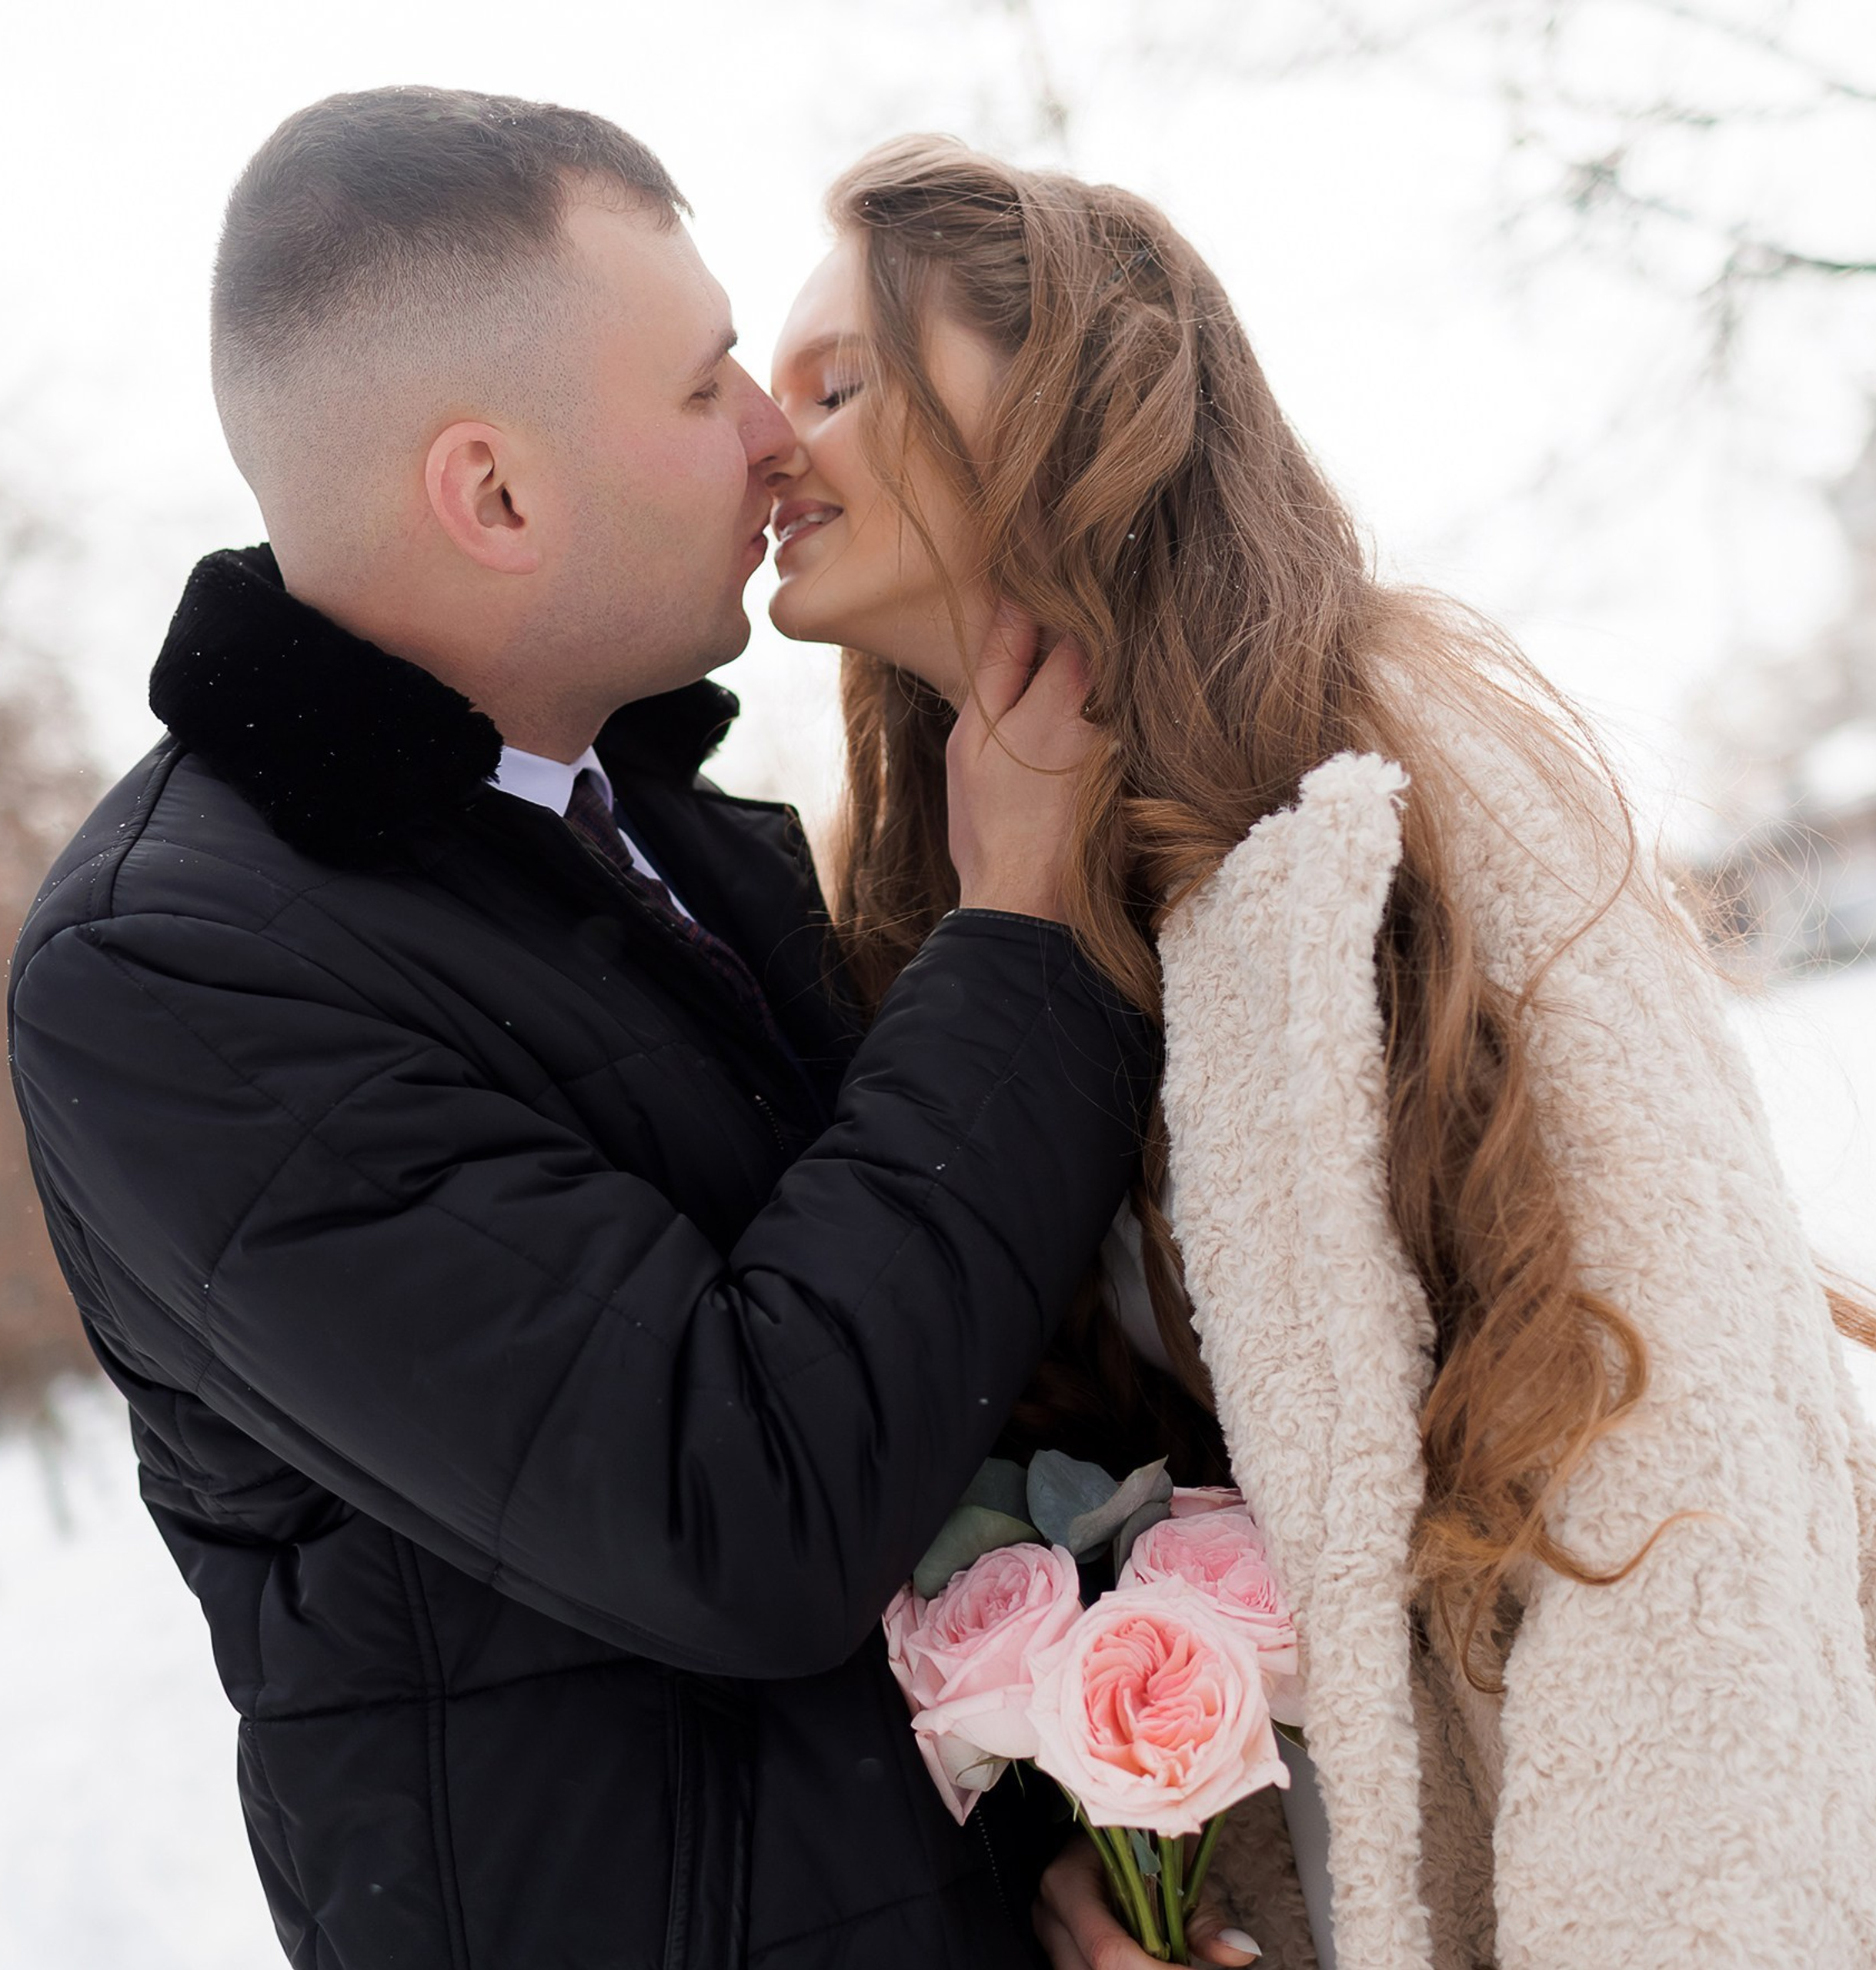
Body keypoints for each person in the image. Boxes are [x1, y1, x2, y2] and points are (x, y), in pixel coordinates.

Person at [5, 91, 1161, 1970]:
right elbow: (746, 1502)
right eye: (709, 384)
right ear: (495, 493)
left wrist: (1042, 1827)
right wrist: (1019, 938)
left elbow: (919, 1389)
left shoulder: (662, 836)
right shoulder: (173, 979)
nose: (778, 438)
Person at [766, 134, 1876, 1968]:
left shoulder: (1402, 760)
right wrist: (1098, 1865)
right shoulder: (930, 903)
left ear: (1052, 408)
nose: (767, 440)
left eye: (839, 380)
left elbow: (1677, 1475)